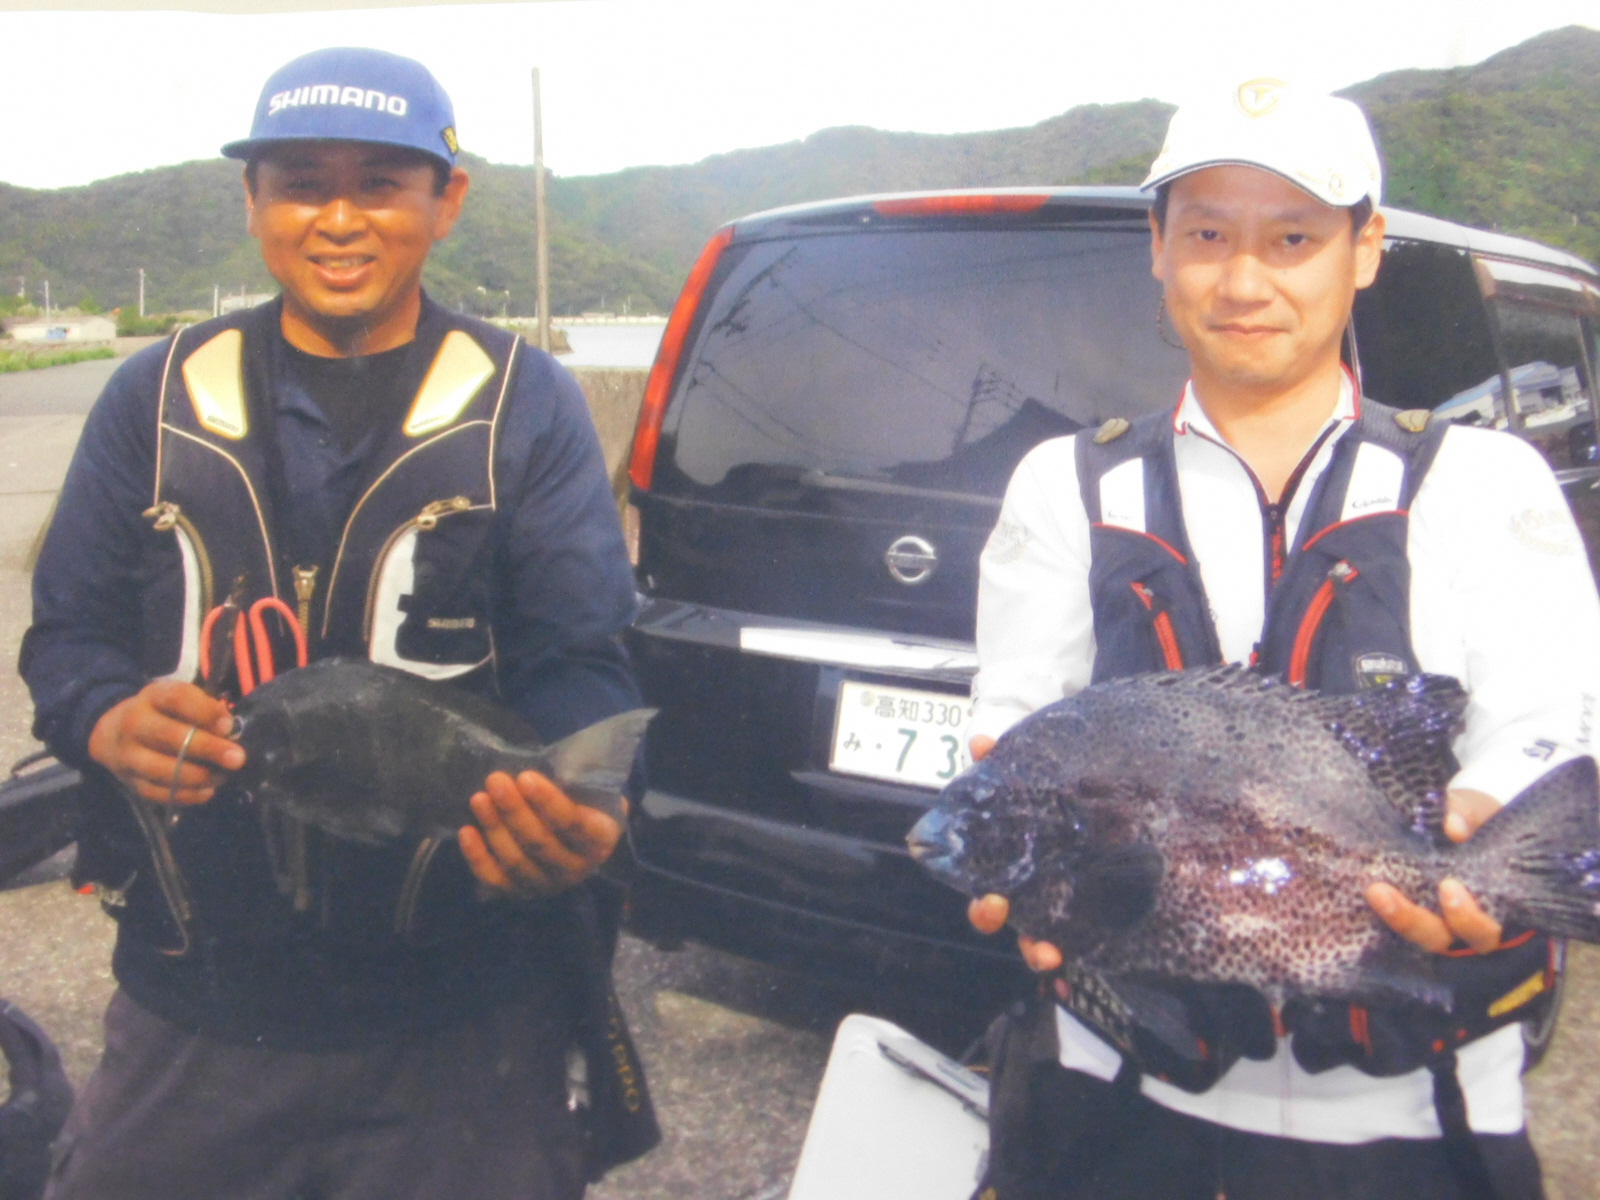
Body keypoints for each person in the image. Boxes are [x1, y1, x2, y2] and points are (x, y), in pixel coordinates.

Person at [20, 46, 656, 1200]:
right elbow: (65, 635)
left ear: (446, 200)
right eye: (303, 180)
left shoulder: (528, 404)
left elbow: (581, 659)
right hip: (192, 1015)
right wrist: (108, 720)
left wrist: (578, 803)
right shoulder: (151, 397)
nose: (340, 218)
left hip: (459, 1030)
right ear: (252, 200)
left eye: (381, 182)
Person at [964, 79, 1600, 1199]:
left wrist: (1477, 848)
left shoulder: (1479, 481)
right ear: (1156, 249)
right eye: (1206, 235)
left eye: (1293, 238)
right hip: (1110, 1097)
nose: (1245, 279)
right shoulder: (1065, 486)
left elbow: (1554, 732)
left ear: (1366, 249)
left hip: (1418, 1114)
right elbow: (1016, 723)